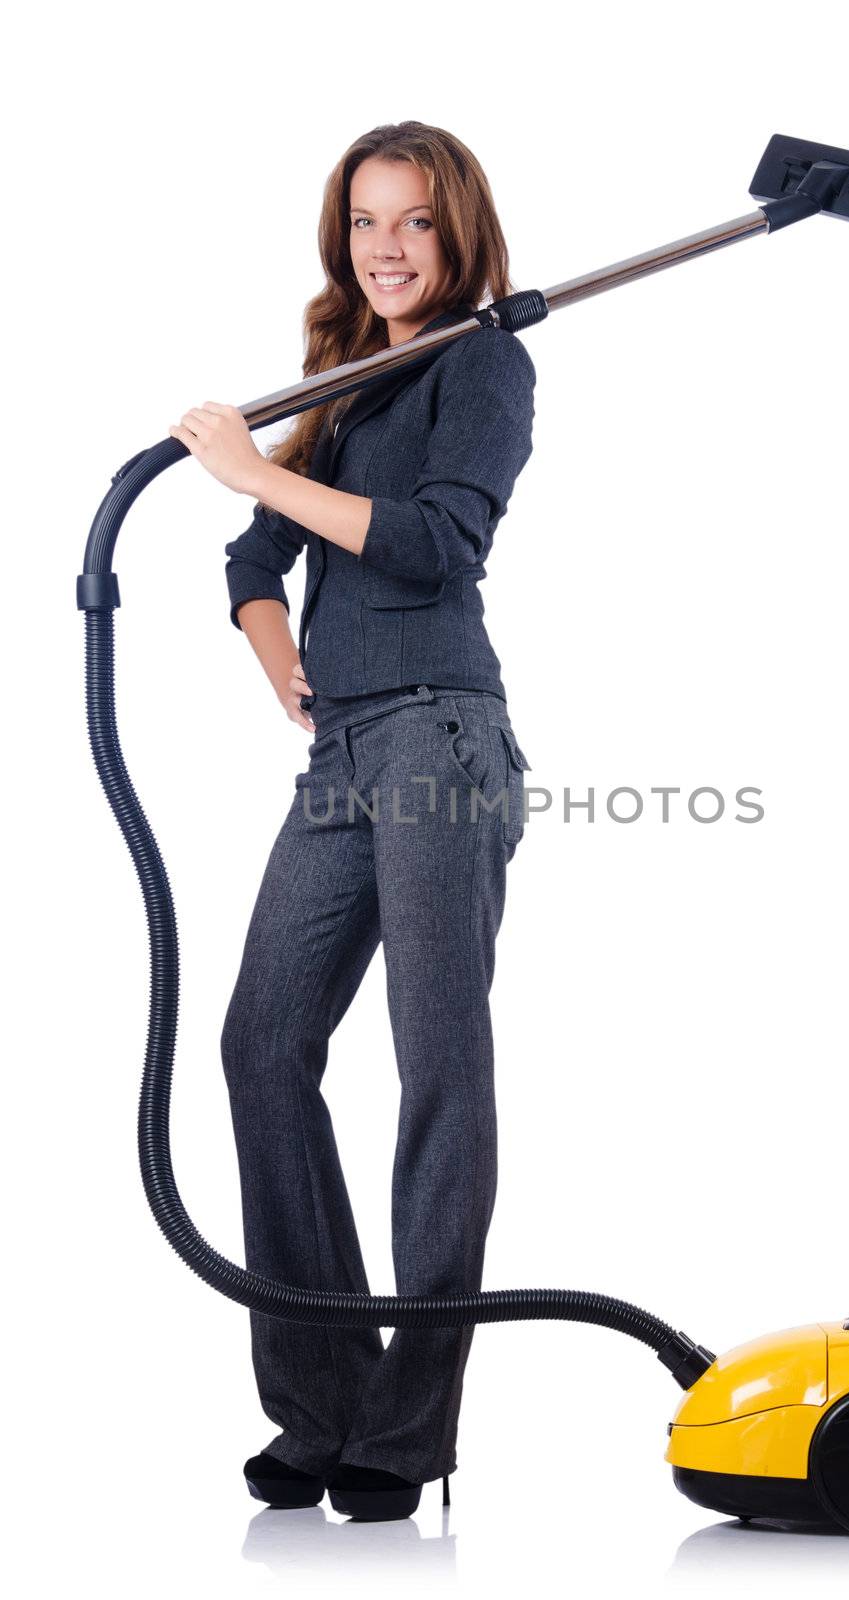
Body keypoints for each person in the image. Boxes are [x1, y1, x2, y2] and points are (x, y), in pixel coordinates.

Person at [169, 121, 537, 1522]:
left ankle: (407, 1432)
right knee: (263, 1046)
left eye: (417, 224)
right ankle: (320, 1406)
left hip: (444, 732)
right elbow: (251, 556)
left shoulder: (481, 363)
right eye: (368, 222)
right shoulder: (346, 379)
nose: (388, 247)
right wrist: (283, 661)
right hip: (345, 753)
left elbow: (440, 538)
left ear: (459, 236)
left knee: (436, 1071)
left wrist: (254, 467)